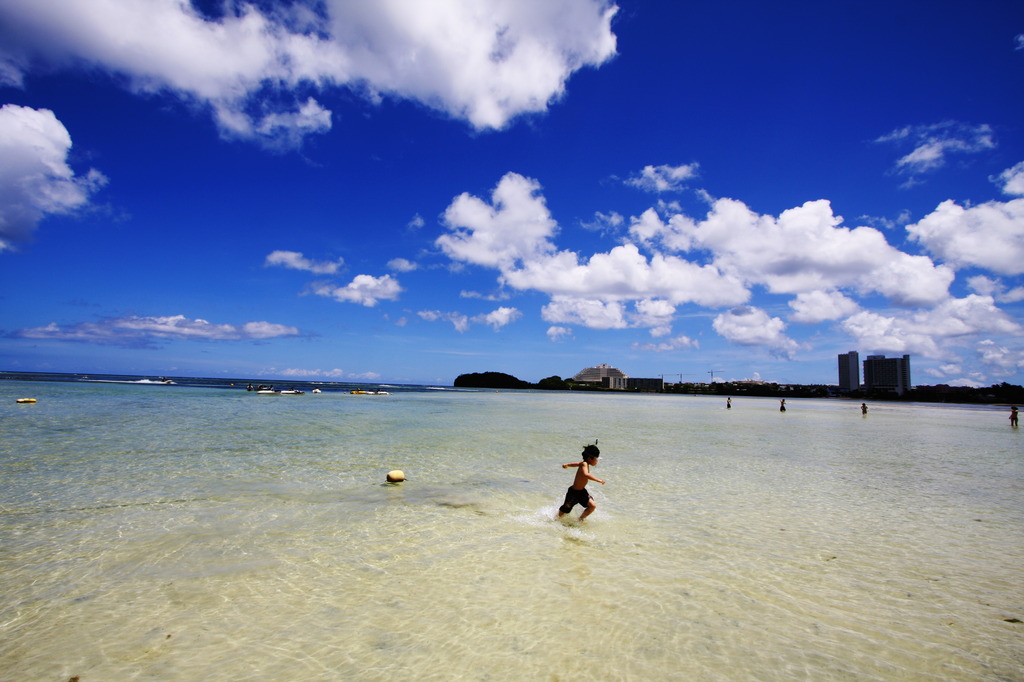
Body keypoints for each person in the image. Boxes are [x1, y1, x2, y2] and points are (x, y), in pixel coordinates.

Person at [557, 444, 605, 521]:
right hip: (573, 493)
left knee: (592, 506)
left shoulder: (583, 463)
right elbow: (586, 474)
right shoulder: (584, 464)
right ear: (590, 458)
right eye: (596, 459)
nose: (597, 461)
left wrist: (567, 465)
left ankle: (580, 519)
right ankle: (556, 520)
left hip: (581, 492)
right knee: (565, 509)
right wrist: (598, 480)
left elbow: (576, 464)